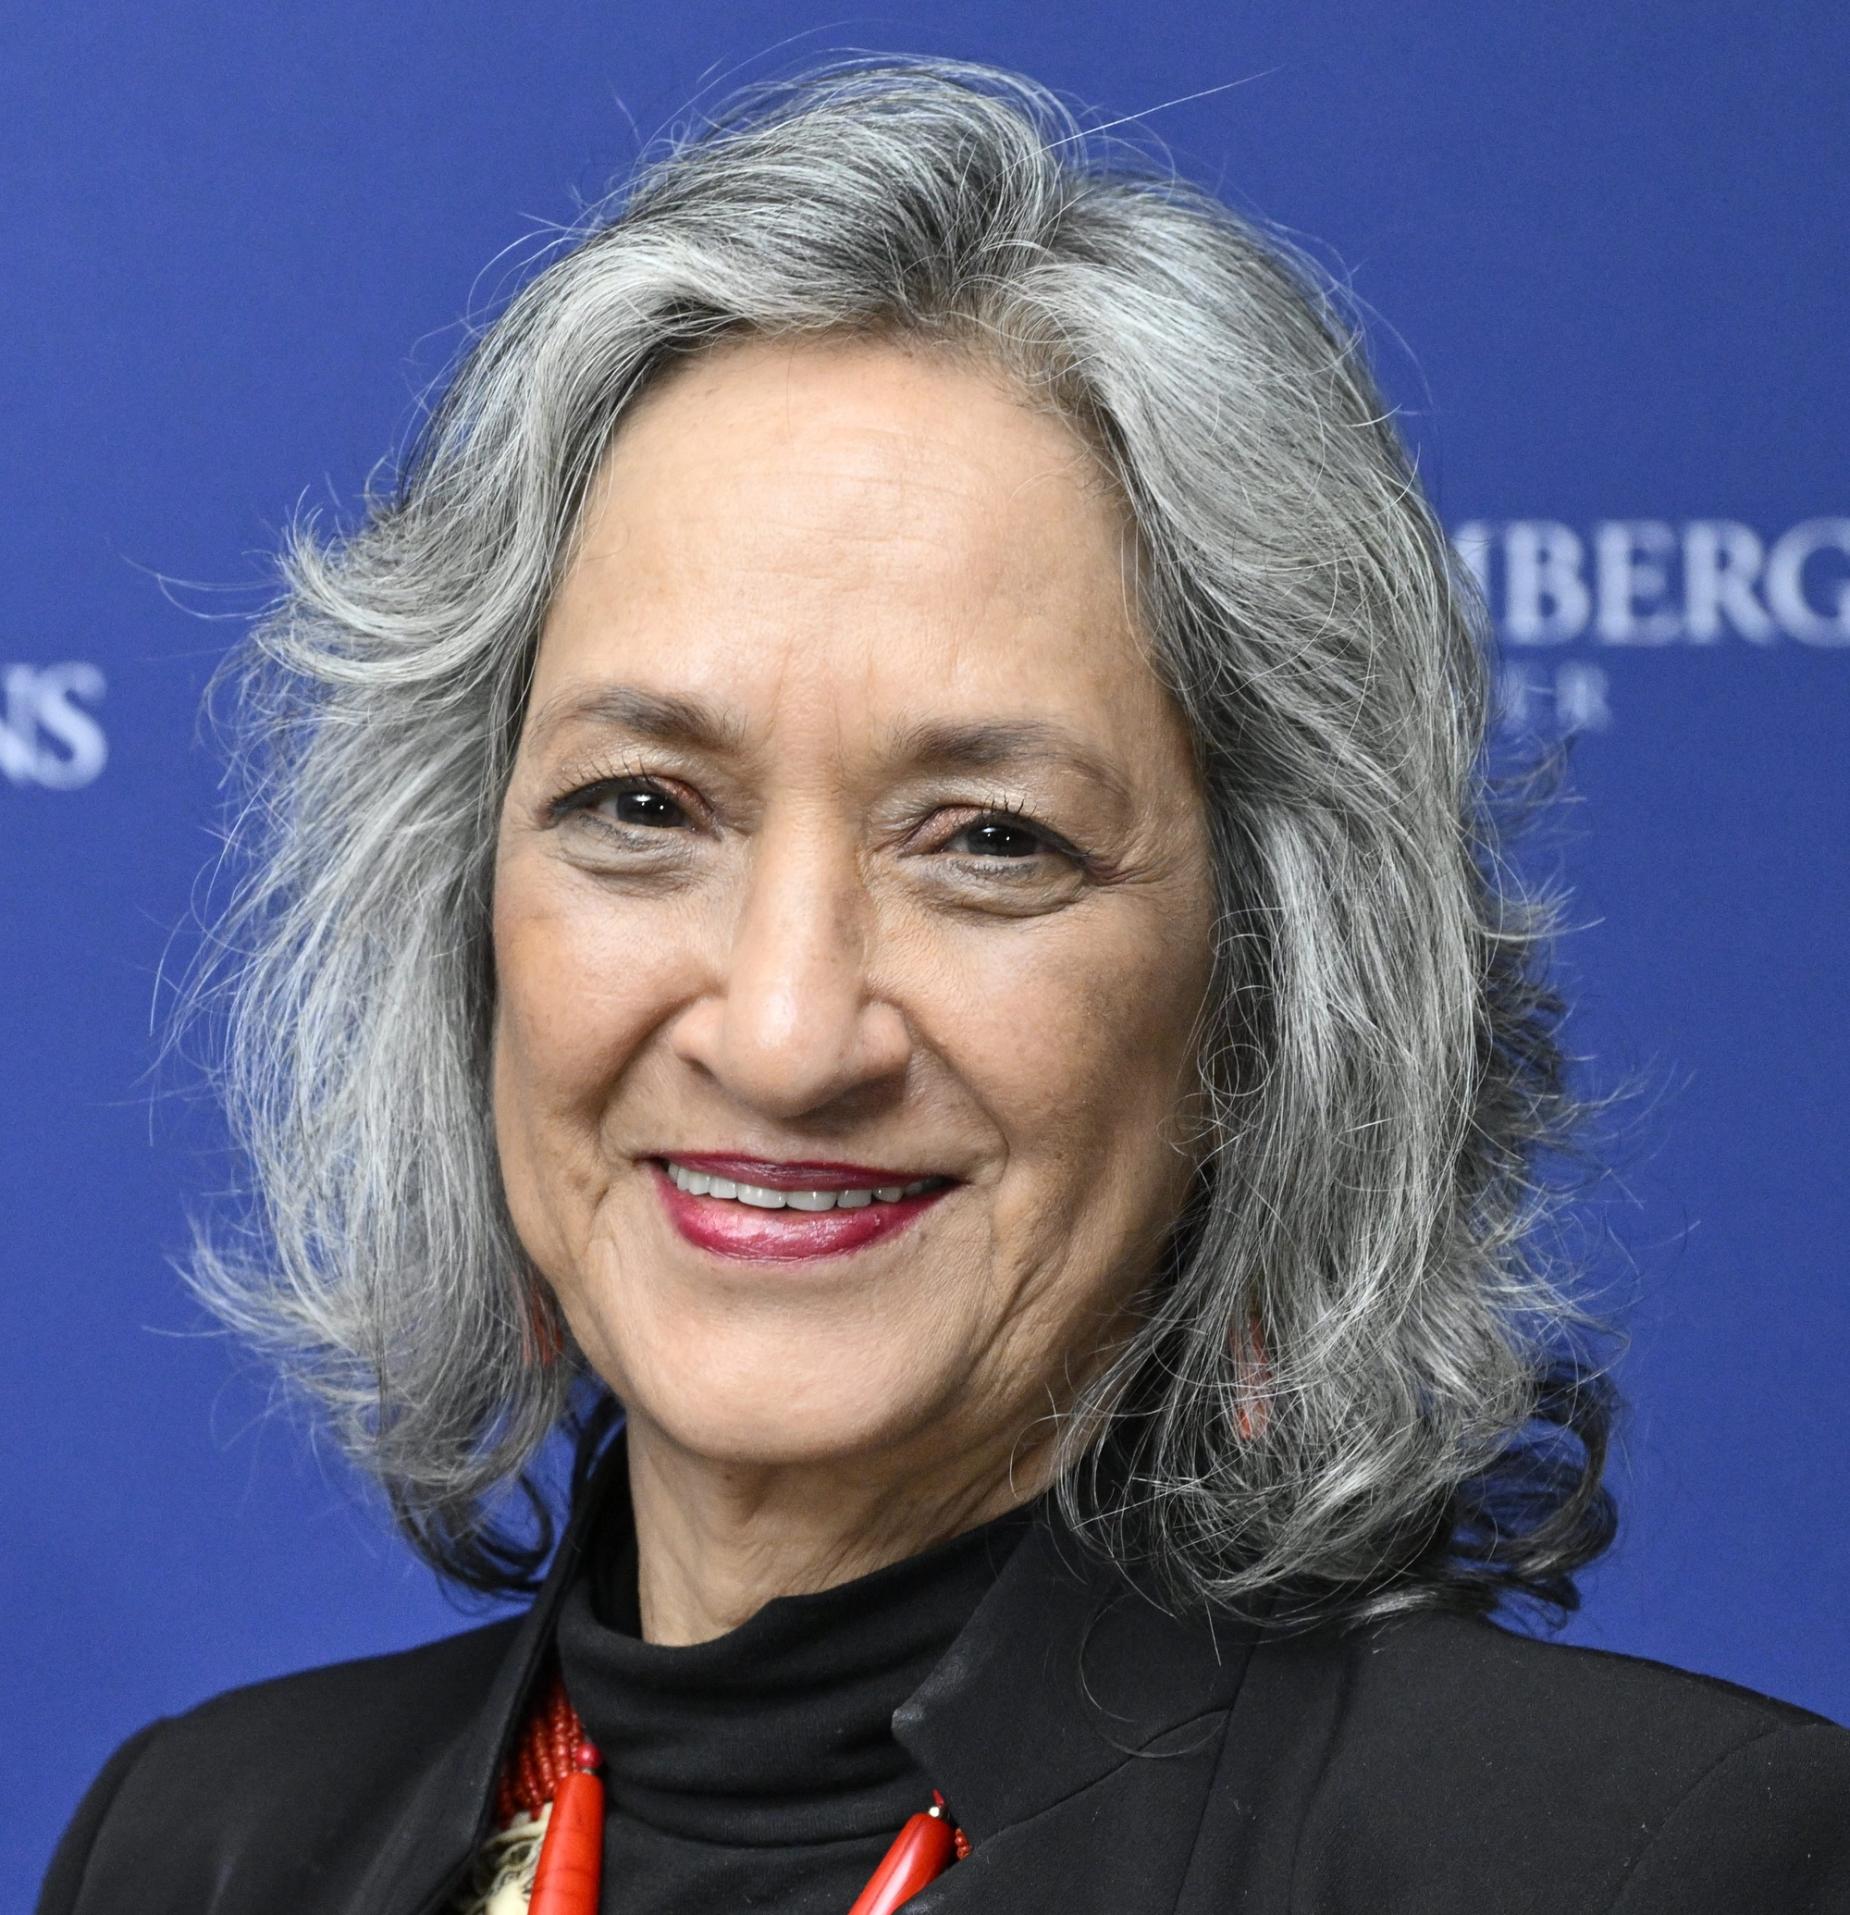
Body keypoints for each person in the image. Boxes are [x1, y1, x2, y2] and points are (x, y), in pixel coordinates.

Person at [37, 56, 1850, 1915]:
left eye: (989, 839)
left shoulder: (1639, 1865)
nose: (785, 1028)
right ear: (463, 915)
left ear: (1261, 1005)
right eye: (643, 807)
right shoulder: (201, 1849)